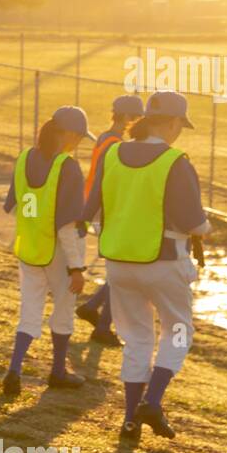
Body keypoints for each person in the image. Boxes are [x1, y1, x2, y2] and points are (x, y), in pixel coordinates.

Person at [82, 90, 210, 441]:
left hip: (119, 264)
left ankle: (129, 421)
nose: (179, 132)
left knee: (136, 338)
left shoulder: (112, 153)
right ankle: (152, 402)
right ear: (171, 123)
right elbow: (191, 221)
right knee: (178, 332)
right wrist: (206, 228)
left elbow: (91, 205)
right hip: (164, 262)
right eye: (180, 125)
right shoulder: (174, 160)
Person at [1, 106, 93, 397]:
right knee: (63, 311)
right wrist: (76, 268)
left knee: (30, 311)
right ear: (67, 134)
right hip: (59, 253)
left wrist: (35, 225)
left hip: (29, 249)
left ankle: (14, 369)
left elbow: (14, 206)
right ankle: (57, 371)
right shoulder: (67, 166)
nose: (78, 142)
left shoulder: (25, 157)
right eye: (78, 137)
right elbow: (67, 225)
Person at [76, 94, 146, 346]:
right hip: (104, 208)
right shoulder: (115, 144)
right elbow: (106, 180)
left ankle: (94, 309)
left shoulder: (107, 137)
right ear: (126, 116)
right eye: (135, 117)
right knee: (123, 270)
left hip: (97, 205)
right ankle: (102, 324)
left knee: (120, 270)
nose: (136, 122)